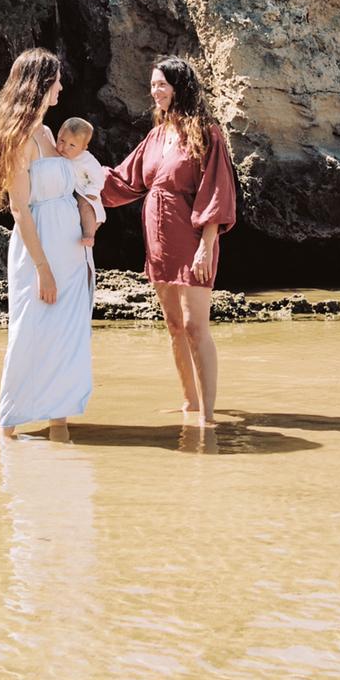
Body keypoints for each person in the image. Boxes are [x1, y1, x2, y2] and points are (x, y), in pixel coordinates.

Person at [100, 56, 236, 427]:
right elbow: (124, 181)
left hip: (192, 236)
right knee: (174, 325)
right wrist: (73, 171)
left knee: (196, 326)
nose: (155, 91)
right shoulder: (156, 136)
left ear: (180, 87)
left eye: (161, 84)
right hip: (157, 237)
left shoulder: (207, 133)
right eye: (153, 85)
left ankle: (208, 414)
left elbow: (217, 190)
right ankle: (189, 404)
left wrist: (207, 244)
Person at [0, 49, 95, 439]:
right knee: (31, 332)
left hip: (71, 251)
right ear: (41, 84)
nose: (62, 87)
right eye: (57, 80)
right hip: (39, 251)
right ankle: (9, 427)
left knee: (66, 333)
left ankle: (59, 421)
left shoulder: (50, 134)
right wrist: (43, 268)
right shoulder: (18, 139)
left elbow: (78, 185)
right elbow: (20, 210)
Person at [55, 117, 107, 238]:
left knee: (85, 206)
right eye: (62, 141)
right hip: (68, 192)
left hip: (84, 191)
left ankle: (89, 234)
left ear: (83, 148)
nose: (65, 147)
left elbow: (98, 176)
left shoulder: (87, 160)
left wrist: (93, 191)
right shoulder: (55, 153)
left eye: (72, 145)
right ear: (57, 135)